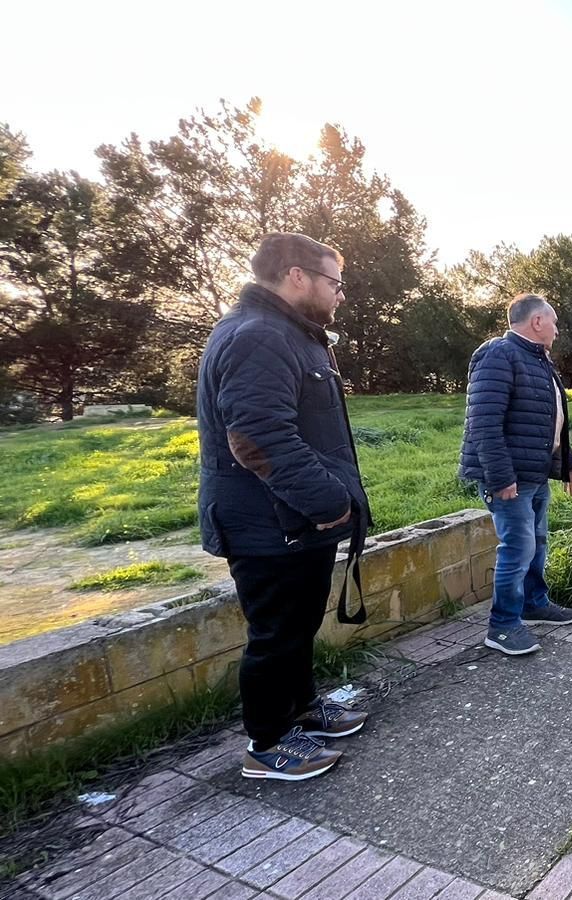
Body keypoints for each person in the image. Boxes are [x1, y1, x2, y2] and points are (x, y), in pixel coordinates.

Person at [196, 233, 371, 782]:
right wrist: (329, 501)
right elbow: (256, 437)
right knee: (275, 634)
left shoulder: (288, 334)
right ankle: (267, 743)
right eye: (334, 282)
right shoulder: (259, 336)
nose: (340, 293)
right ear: (297, 276)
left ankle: (301, 711)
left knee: (297, 624)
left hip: (294, 520)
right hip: (268, 523)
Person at [459, 293, 572, 655]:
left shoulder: (537, 359)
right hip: (510, 478)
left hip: (533, 474)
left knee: (536, 542)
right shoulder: (499, 355)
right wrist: (501, 478)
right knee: (518, 548)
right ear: (537, 322)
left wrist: (569, 462)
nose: (557, 330)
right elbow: (484, 423)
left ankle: (533, 604)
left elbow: (545, 422)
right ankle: (502, 626)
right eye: (554, 322)